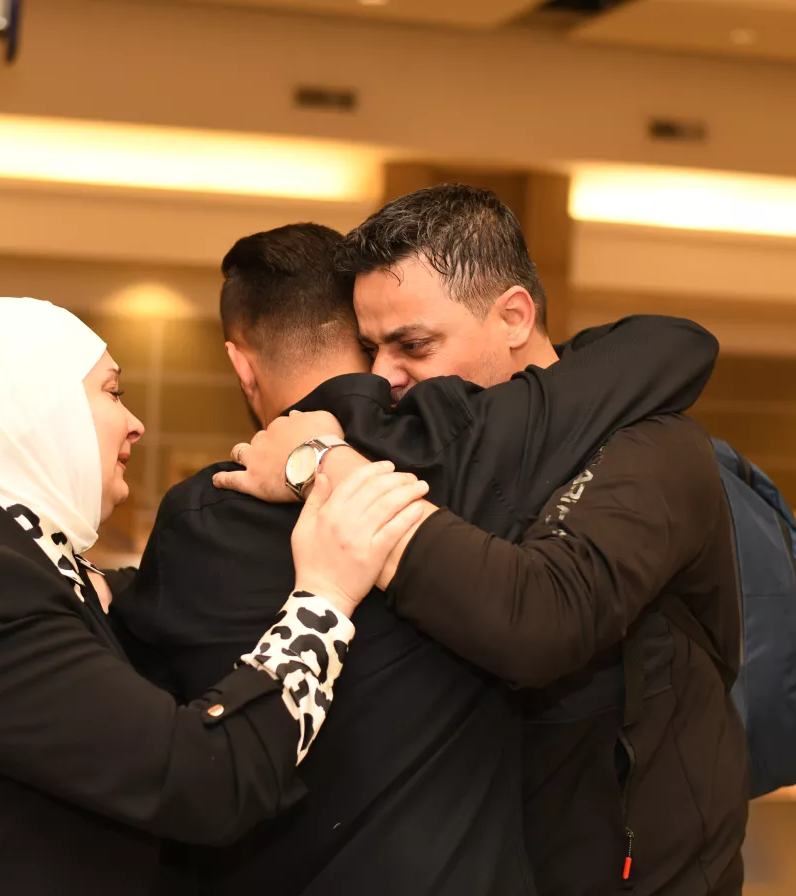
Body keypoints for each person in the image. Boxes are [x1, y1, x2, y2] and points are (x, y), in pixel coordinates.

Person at [106, 222, 722, 895]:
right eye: (371, 348)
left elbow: (539, 616)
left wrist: (324, 463)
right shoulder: (469, 457)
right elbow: (668, 348)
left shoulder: (207, 511)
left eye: (412, 345)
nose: (383, 375)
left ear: (242, 364)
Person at [0, 296, 429, 896]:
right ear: (31, 413)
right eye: (111, 391)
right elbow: (203, 782)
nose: (135, 424)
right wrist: (323, 598)